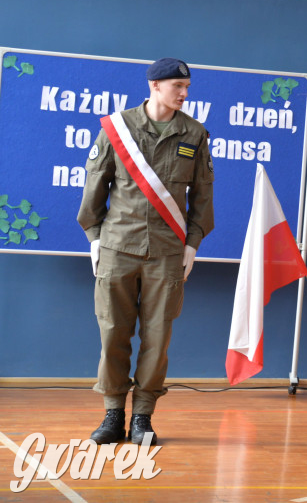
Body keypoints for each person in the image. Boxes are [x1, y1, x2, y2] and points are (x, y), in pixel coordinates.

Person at [78, 57, 214, 445]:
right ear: (155, 85)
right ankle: (112, 413)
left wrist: (192, 243)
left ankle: (142, 416)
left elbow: (203, 195)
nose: (184, 94)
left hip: (167, 253)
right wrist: (94, 238)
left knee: (158, 337)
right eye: (177, 87)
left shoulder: (194, 133)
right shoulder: (117, 128)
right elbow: (95, 187)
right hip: (118, 247)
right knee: (113, 332)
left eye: (187, 88)